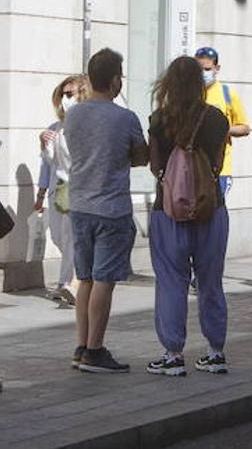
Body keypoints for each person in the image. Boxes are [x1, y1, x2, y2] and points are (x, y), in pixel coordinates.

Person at [63, 48, 149, 373]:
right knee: (104, 281)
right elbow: (140, 157)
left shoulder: (74, 115)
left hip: (80, 205)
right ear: (115, 80)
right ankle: (96, 350)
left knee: (84, 279)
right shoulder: (124, 117)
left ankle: (81, 346)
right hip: (111, 208)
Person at [144, 56, 231, 376]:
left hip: (167, 212)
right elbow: (217, 165)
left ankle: (172, 354)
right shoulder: (218, 119)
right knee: (210, 280)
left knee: (171, 281)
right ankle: (215, 351)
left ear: (168, 83)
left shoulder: (158, 119)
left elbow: (155, 167)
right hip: (212, 208)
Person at [35, 74, 87, 305]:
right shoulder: (56, 128)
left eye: (70, 94)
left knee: (72, 238)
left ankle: (70, 283)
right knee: (59, 236)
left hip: (80, 188)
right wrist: (41, 192)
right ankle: (71, 280)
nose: (65, 100)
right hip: (60, 189)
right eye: (63, 95)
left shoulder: (87, 126)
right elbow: (48, 163)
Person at [194, 47, 251, 198]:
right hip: (193, 167)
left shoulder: (227, 94)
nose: (202, 74)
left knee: (216, 211)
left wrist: (222, 130)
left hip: (220, 168)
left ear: (216, 68)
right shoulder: (190, 93)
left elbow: (244, 128)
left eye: (206, 69)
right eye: (198, 69)